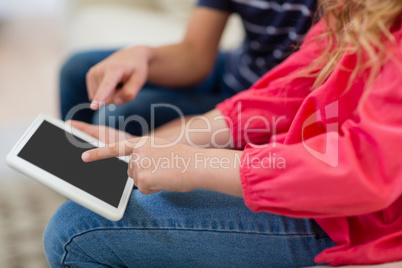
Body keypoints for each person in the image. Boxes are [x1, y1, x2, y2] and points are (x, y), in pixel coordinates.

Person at [44, 0, 402, 267]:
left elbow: (364, 169)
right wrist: (159, 144)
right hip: (312, 183)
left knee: (74, 231)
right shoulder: (354, 10)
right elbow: (286, 92)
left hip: (357, 222)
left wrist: (198, 165)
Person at [60, 0, 317, 135]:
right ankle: (77, 189)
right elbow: (195, 56)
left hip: (270, 100)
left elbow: (305, 93)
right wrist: (143, 54)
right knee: (79, 70)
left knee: (122, 116)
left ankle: (106, 216)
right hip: (234, 68)